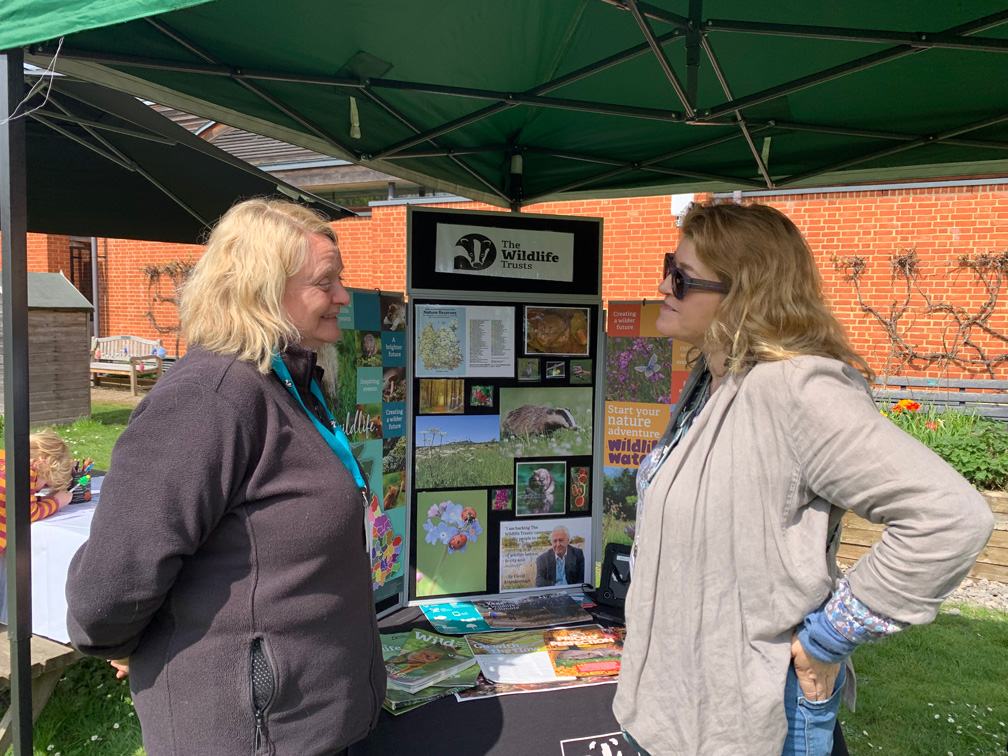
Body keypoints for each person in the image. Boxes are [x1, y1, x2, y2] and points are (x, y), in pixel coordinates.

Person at [613, 202, 995, 756]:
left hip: (755, 712)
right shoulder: (713, 378)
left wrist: (829, 637)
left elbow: (950, 517)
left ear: (743, 296)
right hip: (684, 704)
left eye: (682, 277)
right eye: (669, 265)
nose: (663, 285)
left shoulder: (797, 389)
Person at [66, 198, 385, 756]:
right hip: (245, 733)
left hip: (307, 724)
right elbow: (111, 583)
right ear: (262, 291)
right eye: (325, 282)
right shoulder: (210, 398)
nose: (342, 296)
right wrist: (119, 639)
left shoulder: (287, 382)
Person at [0, 429, 73, 551]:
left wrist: (42, 499)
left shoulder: (5, 459)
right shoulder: (25, 474)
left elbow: (13, 500)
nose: (38, 490)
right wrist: (57, 502)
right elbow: (27, 513)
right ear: (41, 465)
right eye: (45, 485)